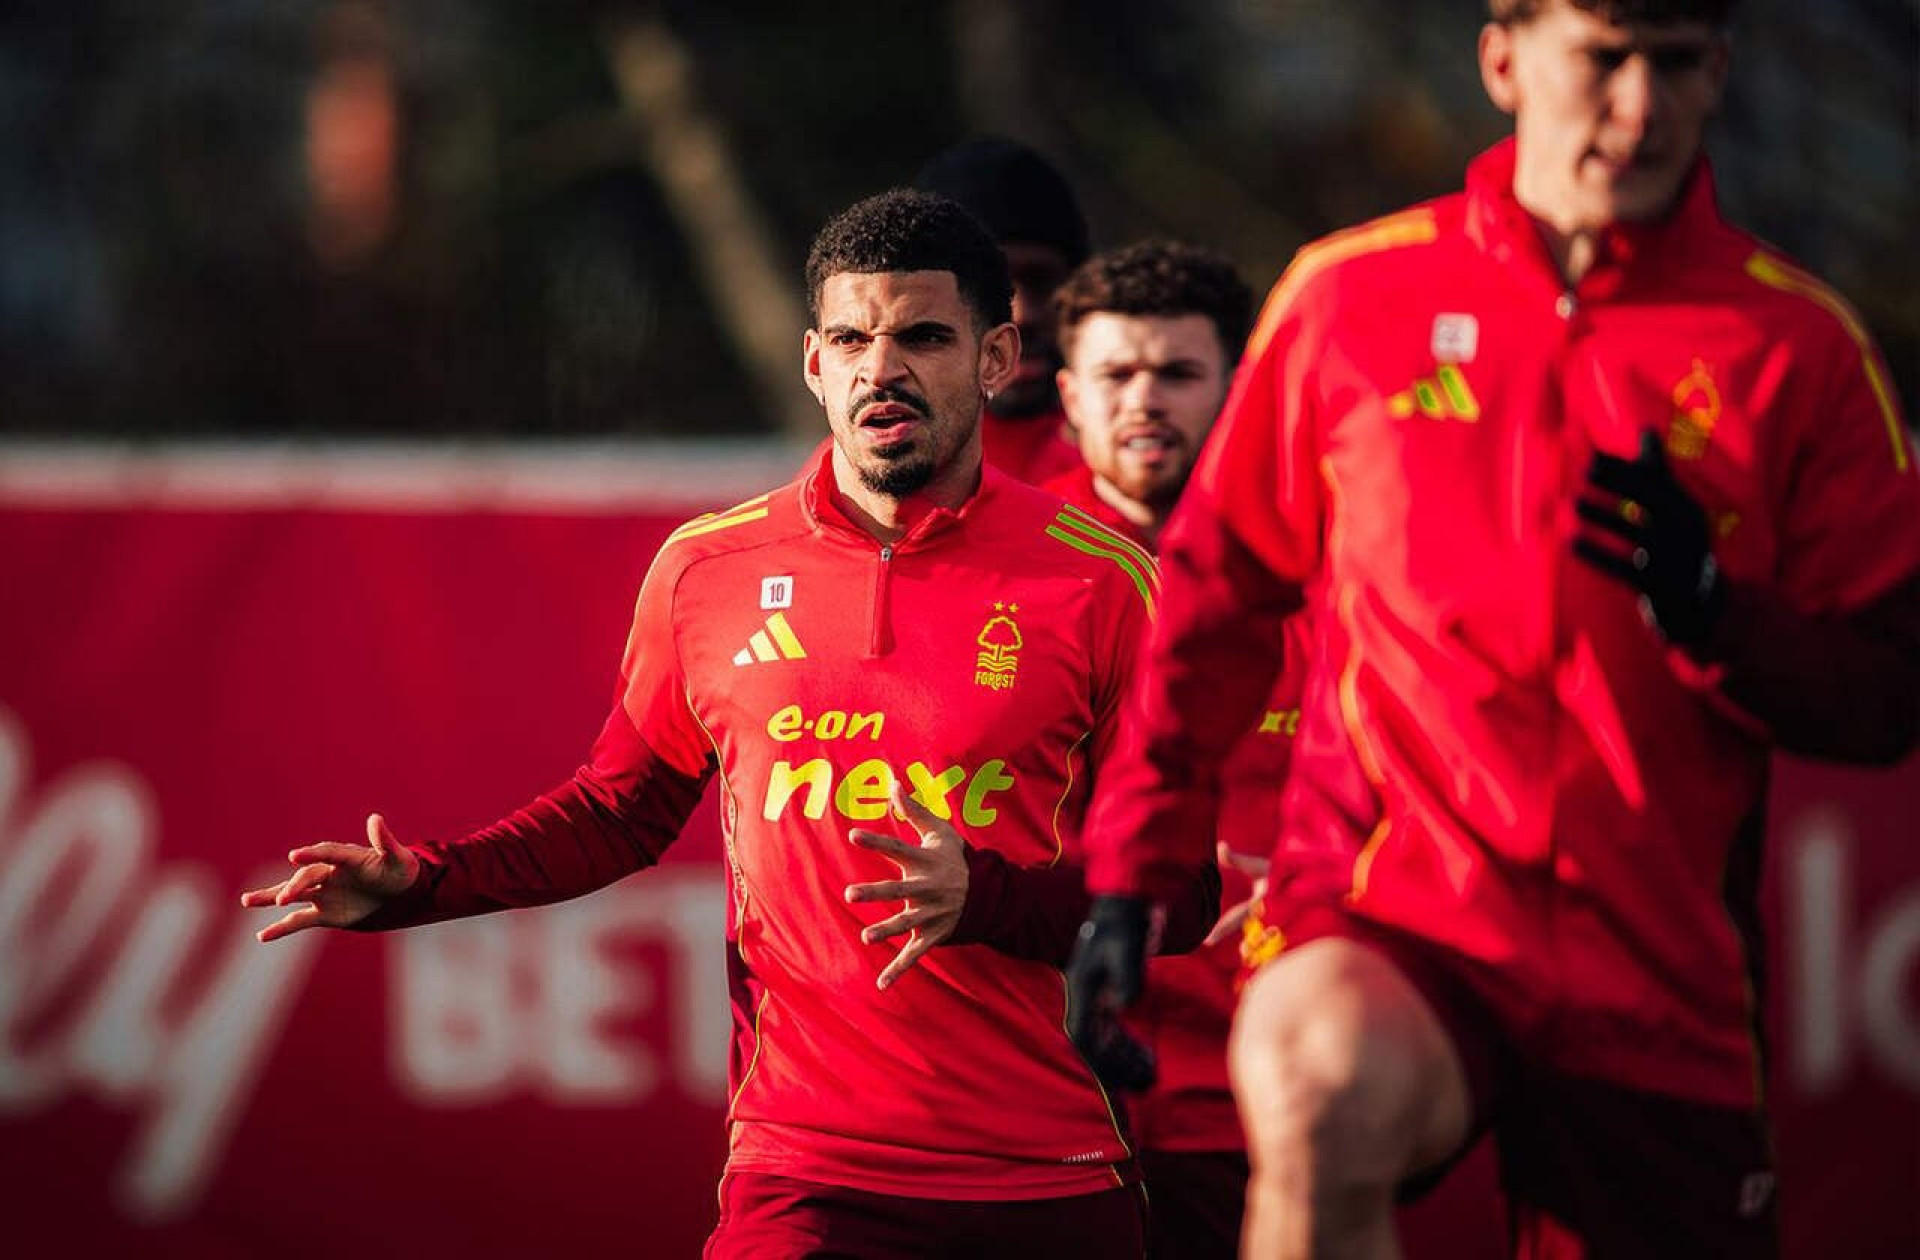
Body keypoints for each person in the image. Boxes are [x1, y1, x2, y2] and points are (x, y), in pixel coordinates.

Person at [1068, 2, 1920, 1257]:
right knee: (1314, 1081)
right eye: (1605, 58)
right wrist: (1130, 876)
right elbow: (1215, 597)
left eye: (1675, 63)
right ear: (1504, 59)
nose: (1639, 106)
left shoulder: (1798, 348)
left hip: (1660, 973)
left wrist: (1719, 619)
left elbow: (1886, 696)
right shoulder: (1349, 296)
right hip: (1396, 917)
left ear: (1719, 74)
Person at [243, 188, 1220, 1258]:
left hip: (1049, 1171)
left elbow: (1180, 893)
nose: (880, 370)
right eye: (850, 340)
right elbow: (619, 813)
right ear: (812, 363)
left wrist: (990, 900)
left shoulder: (1106, 581)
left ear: (996, 358)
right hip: (805, 1170)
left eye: (923, 338)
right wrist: (426, 884)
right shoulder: (706, 569)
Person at [1044, 240, 1302, 1260]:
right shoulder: (999, 575)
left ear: (1236, 388)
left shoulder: (1325, 569)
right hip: (1040, 1096)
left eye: (1179, 372)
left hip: (1257, 1085)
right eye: (1116, 373)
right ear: (1068, 395)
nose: (1144, 399)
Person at [916, 135, 1091, 485]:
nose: (1021, 314)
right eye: (989, 288)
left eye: (1042, 282)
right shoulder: (851, 486)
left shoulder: (1154, 464)